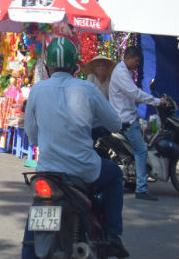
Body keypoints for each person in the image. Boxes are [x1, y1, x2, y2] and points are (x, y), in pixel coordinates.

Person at [24, 37, 127, 259]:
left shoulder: (37, 90)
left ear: (47, 65)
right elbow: (115, 123)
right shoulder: (87, 88)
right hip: (83, 170)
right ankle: (112, 235)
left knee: (37, 210)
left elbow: (32, 137)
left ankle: (28, 253)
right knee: (115, 175)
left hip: (48, 173)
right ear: (75, 65)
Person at [108, 46, 166, 201]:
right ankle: (141, 189)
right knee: (141, 151)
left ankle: (132, 182)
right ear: (128, 58)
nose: (137, 64)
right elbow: (135, 93)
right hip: (125, 120)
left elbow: (134, 93)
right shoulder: (121, 72)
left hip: (129, 117)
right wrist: (157, 101)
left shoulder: (125, 71)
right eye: (137, 61)